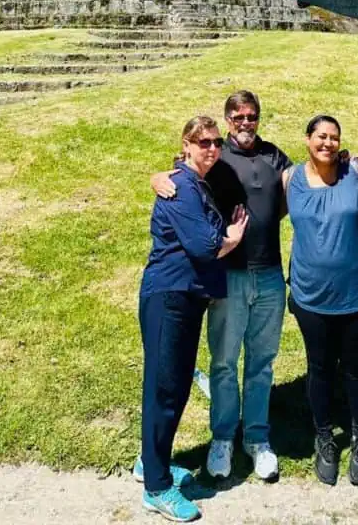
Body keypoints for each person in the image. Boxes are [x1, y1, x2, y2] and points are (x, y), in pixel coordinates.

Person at [151, 91, 291, 482]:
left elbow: (301, 185)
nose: (246, 123)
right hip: (227, 275)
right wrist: (156, 177)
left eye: (253, 116)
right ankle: (223, 438)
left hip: (269, 275)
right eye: (239, 117)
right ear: (228, 119)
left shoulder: (274, 155)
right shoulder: (214, 154)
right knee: (225, 363)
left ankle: (258, 438)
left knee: (262, 363)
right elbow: (180, 174)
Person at [136, 115, 248, 521]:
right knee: (166, 388)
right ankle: (157, 487)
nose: (213, 149)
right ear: (186, 144)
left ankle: (150, 462)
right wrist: (231, 240)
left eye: (217, 142)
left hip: (182, 298)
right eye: (203, 142)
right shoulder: (182, 186)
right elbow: (203, 246)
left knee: (171, 383)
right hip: (170, 298)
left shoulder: (193, 182)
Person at [284, 114, 358, 488]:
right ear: (308, 139)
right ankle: (324, 437)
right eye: (320, 136)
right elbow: (262, 212)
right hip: (311, 296)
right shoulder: (289, 180)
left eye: (334, 137)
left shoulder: (355, 171)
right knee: (320, 368)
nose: (327, 143)